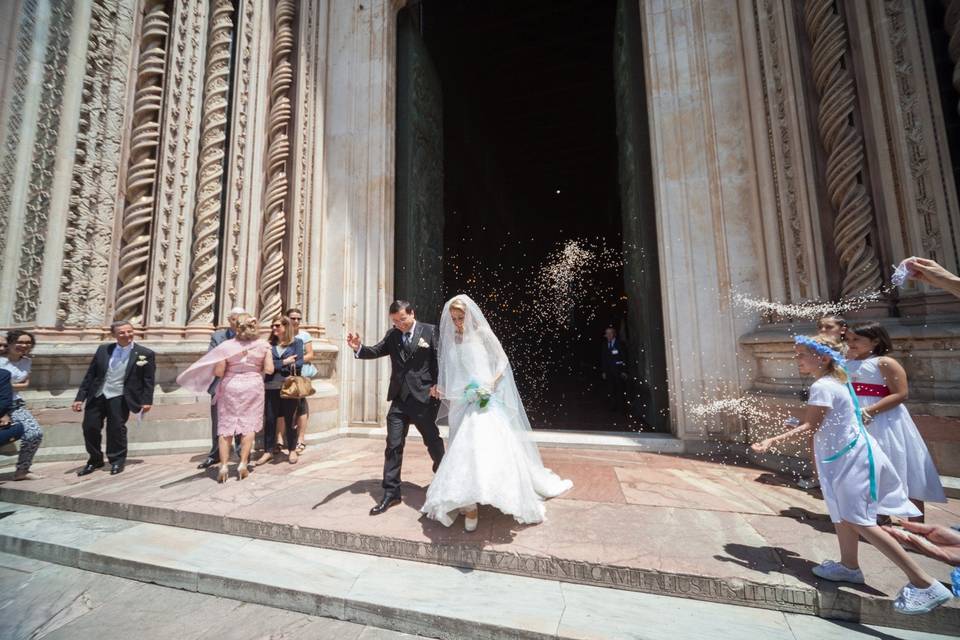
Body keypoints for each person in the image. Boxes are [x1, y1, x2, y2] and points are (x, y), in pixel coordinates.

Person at [752, 335, 951, 615]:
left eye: (801, 355)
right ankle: (849, 566)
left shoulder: (823, 384)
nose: (796, 360)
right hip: (841, 456)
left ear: (821, 358)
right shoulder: (837, 381)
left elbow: (811, 425)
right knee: (843, 513)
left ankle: (924, 582)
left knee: (859, 519)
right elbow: (832, 418)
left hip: (850, 458)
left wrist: (772, 441)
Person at [422, 296, 573, 531]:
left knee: (482, 444)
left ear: (470, 315)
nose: (458, 323)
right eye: (453, 319)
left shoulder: (482, 334)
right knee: (461, 449)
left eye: (461, 318)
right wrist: (445, 390)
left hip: (484, 401)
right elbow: (451, 373)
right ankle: (467, 500)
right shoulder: (451, 339)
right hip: (462, 401)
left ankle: (491, 492)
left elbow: (502, 362)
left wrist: (489, 384)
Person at [347, 300, 445, 516]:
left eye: (402, 319)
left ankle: (444, 473)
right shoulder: (393, 335)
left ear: (412, 313)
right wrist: (358, 348)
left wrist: (438, 383)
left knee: (432, 441)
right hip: (399, 399)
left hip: (422, 397)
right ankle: (391, 493)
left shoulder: (429, 331)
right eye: (395, 321)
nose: (399, 324)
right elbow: (375, 351)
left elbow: (439, 359)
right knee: (393, 445)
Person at [844, 322, 946, 520]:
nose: (851, 343)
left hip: (885, 420)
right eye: (848, 339)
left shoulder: (884, 362)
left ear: (875, 341)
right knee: (871, 467)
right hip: (858, 421)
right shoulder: (848, 363)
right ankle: (880, 517)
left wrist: (870, 410)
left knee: (899, 463)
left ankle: (917, 524)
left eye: (856, 339)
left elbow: (901, 393)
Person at [177, 314, 272, 482]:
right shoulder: (264, 345)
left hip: (231, 385)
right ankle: (243, 463)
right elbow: (269, 369)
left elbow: (219, 372)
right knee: (248, 425)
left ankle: (224, 466)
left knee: (226, 425)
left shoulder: (226, 346)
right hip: (253, 385)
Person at [72, 321, 156, 476]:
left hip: (121, 396)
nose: (127, 335)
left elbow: (148, 380)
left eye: (129, 331)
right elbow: (91, 374)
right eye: (122, 333)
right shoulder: (103, 350)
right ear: (114, 335)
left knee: (116, 429)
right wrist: (80, 397)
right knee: (89, 427)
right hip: (98, 394)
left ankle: (117, 460)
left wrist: (146, 400)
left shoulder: (145, 353)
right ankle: (95, 459)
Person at [797, 316, 849, 490]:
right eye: (820, 327)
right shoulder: (821, 380)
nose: (823, 330)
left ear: (843, 329)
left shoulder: (848, 353)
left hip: (843, 409)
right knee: (816, 437)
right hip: (827, 404)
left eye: (828, 327)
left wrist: (771, 441)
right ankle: (818, 475)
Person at [197, 307, 247, 470]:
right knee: (219, 422)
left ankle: (241, 452)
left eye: (240, 319)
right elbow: (212, 357)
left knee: (242, 420)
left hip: (242, 384)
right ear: (229, 320)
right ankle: (215, 454)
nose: (237, 323)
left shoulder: (249, 336)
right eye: (234, 319)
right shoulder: (218, 336)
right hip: (221, 384)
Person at [255, 317, 303, 466]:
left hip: (289, 386)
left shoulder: (297, 343)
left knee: (290, 419)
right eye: (272, 326)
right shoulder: (269, 345)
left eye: (277, 325)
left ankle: (292, 450)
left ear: (285, 326)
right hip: (270, 386)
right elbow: (264, 365)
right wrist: (284, 362)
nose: (274, 328)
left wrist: (276, 366)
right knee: (270, 419)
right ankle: (268, 451)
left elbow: (299, 362)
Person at [0, 331, 42, 480]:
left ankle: (22, 470)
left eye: (28, 343)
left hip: (16, 404)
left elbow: (26, 384)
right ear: (10, 343)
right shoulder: (1, 361)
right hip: (1, 405)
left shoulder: (27, 361)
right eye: (20, 342)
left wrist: (8, 385)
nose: (24, 345)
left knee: (34, 433)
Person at [285, 307, 314, 456]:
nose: (296, 321)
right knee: (281, 408)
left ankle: (300, 439)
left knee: (301, 406)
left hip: (299, 375)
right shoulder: (282, 334)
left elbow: (310, 354)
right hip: (283, 375)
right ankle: (279, 440)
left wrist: (295, 361)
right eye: (293, 318)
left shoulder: (304, 335)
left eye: (298, 318)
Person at [600, 326, 629, 413]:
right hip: (609, 372)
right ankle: (613, 407)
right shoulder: (605, 345)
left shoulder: (620, 344)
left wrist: (624, 370)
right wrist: (604, 371)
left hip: (618, 371)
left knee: (620, 389)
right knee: (611, 389)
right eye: (607, 333)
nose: (608, 335)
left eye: (610, 333)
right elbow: (603, 359)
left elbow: (624, 358)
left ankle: (622, 408)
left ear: (614, 334)